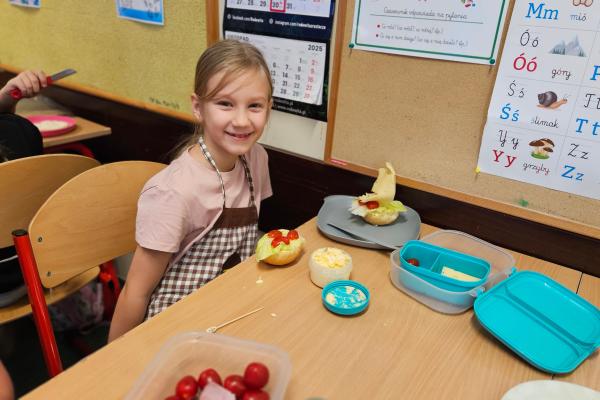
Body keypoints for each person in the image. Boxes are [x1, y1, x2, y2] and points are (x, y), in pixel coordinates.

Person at [108, 40, 273, 341]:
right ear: (198, 107)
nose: (241, 120)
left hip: (230, 310)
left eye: (254, 106)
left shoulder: (257, 159)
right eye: (225, 104)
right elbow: (136, 292)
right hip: (175, 326)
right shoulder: (173, 192)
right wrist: (113, 361)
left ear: (268, 108)